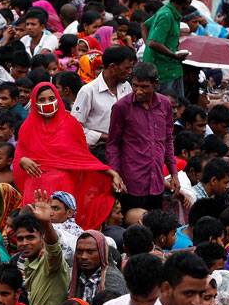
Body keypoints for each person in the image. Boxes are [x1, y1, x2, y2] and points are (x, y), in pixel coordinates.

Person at [13, 82, 123, 229]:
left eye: (51, 98)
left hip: (62, 185)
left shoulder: (71, 124)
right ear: (34, 102)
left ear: (58, 99)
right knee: (33, 228)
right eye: (42, 100)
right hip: (35, 187)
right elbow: (19, 155)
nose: (47, 103)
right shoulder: (27, 127)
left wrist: (110, 173)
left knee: (62, 228)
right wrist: (22, 160)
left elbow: (81, 158)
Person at [107, 63, 177, 213]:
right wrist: (116, 175)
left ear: (155, 84)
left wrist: (174, 174)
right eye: (135, 86)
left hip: (156, 181)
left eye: (144, 87)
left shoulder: (165, 104)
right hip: (131, 182)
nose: (138, 91)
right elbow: (113, 144)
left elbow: (168, 140)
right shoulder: (121, 107)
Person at [11, 193, 70, 305]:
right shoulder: (24, 262)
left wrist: (46, 223)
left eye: (30, 237)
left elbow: (53, 248)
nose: (24, 243)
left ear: (42, 237)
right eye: (20, 239)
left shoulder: (50, 262)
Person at [72, 46, 135, 151]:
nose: (130, 72)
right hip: (98, 150)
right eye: (127, 68)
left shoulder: (126, 86)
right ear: (113, 67)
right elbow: (75, 127)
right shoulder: (88, 91)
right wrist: (105, 137)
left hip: (125, 148)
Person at [142, 0, 195, 96]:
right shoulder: (166, 15)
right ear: (188, 0)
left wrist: (148, 48)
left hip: (171, 68)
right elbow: (153, 42)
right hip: (163, 71)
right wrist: (173, 55)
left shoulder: (168, 11)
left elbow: (144, 26)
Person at [68, 230, 127, 304]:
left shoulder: (111, 278)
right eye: (79, 252)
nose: (83, 256)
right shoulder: (78, 277)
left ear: (102, 252)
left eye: (90, 252)